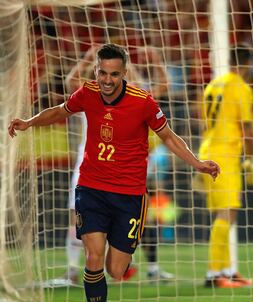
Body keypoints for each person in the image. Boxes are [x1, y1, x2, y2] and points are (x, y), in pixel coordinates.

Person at [8, 43, 220, 302]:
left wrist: (198, 163)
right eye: (102, 73)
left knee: (115, 269)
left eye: (114, 74)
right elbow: (59, 111)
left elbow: (169, 137)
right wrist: (29, 122)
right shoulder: (87, 93)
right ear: (96, 70)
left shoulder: (142, 101)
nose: (107, 80)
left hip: (130, 195)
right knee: (93, 257)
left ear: (124, 74)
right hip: (91, 188)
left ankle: (123, 261)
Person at [63, 45, 174, 284]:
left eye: (117, 73)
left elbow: (161, 87)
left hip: (129, 167)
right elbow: (71, 81)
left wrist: (144, 62)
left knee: (141, 216)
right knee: (77, 217)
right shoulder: (90, 96)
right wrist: (87, 58)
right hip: (90, 167)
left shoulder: (134, 99)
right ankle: (72, 269)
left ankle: (150, 267)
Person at [198, 43, 253, 288]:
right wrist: (251, 159)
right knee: (227, 213)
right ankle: (214, 274)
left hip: (208, 150)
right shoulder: (240, 88)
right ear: (247, 64)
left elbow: (204, 123)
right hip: (226, 154)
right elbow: (247, 127)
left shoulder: (213, 85)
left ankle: (227, 270)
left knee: (225, 214)